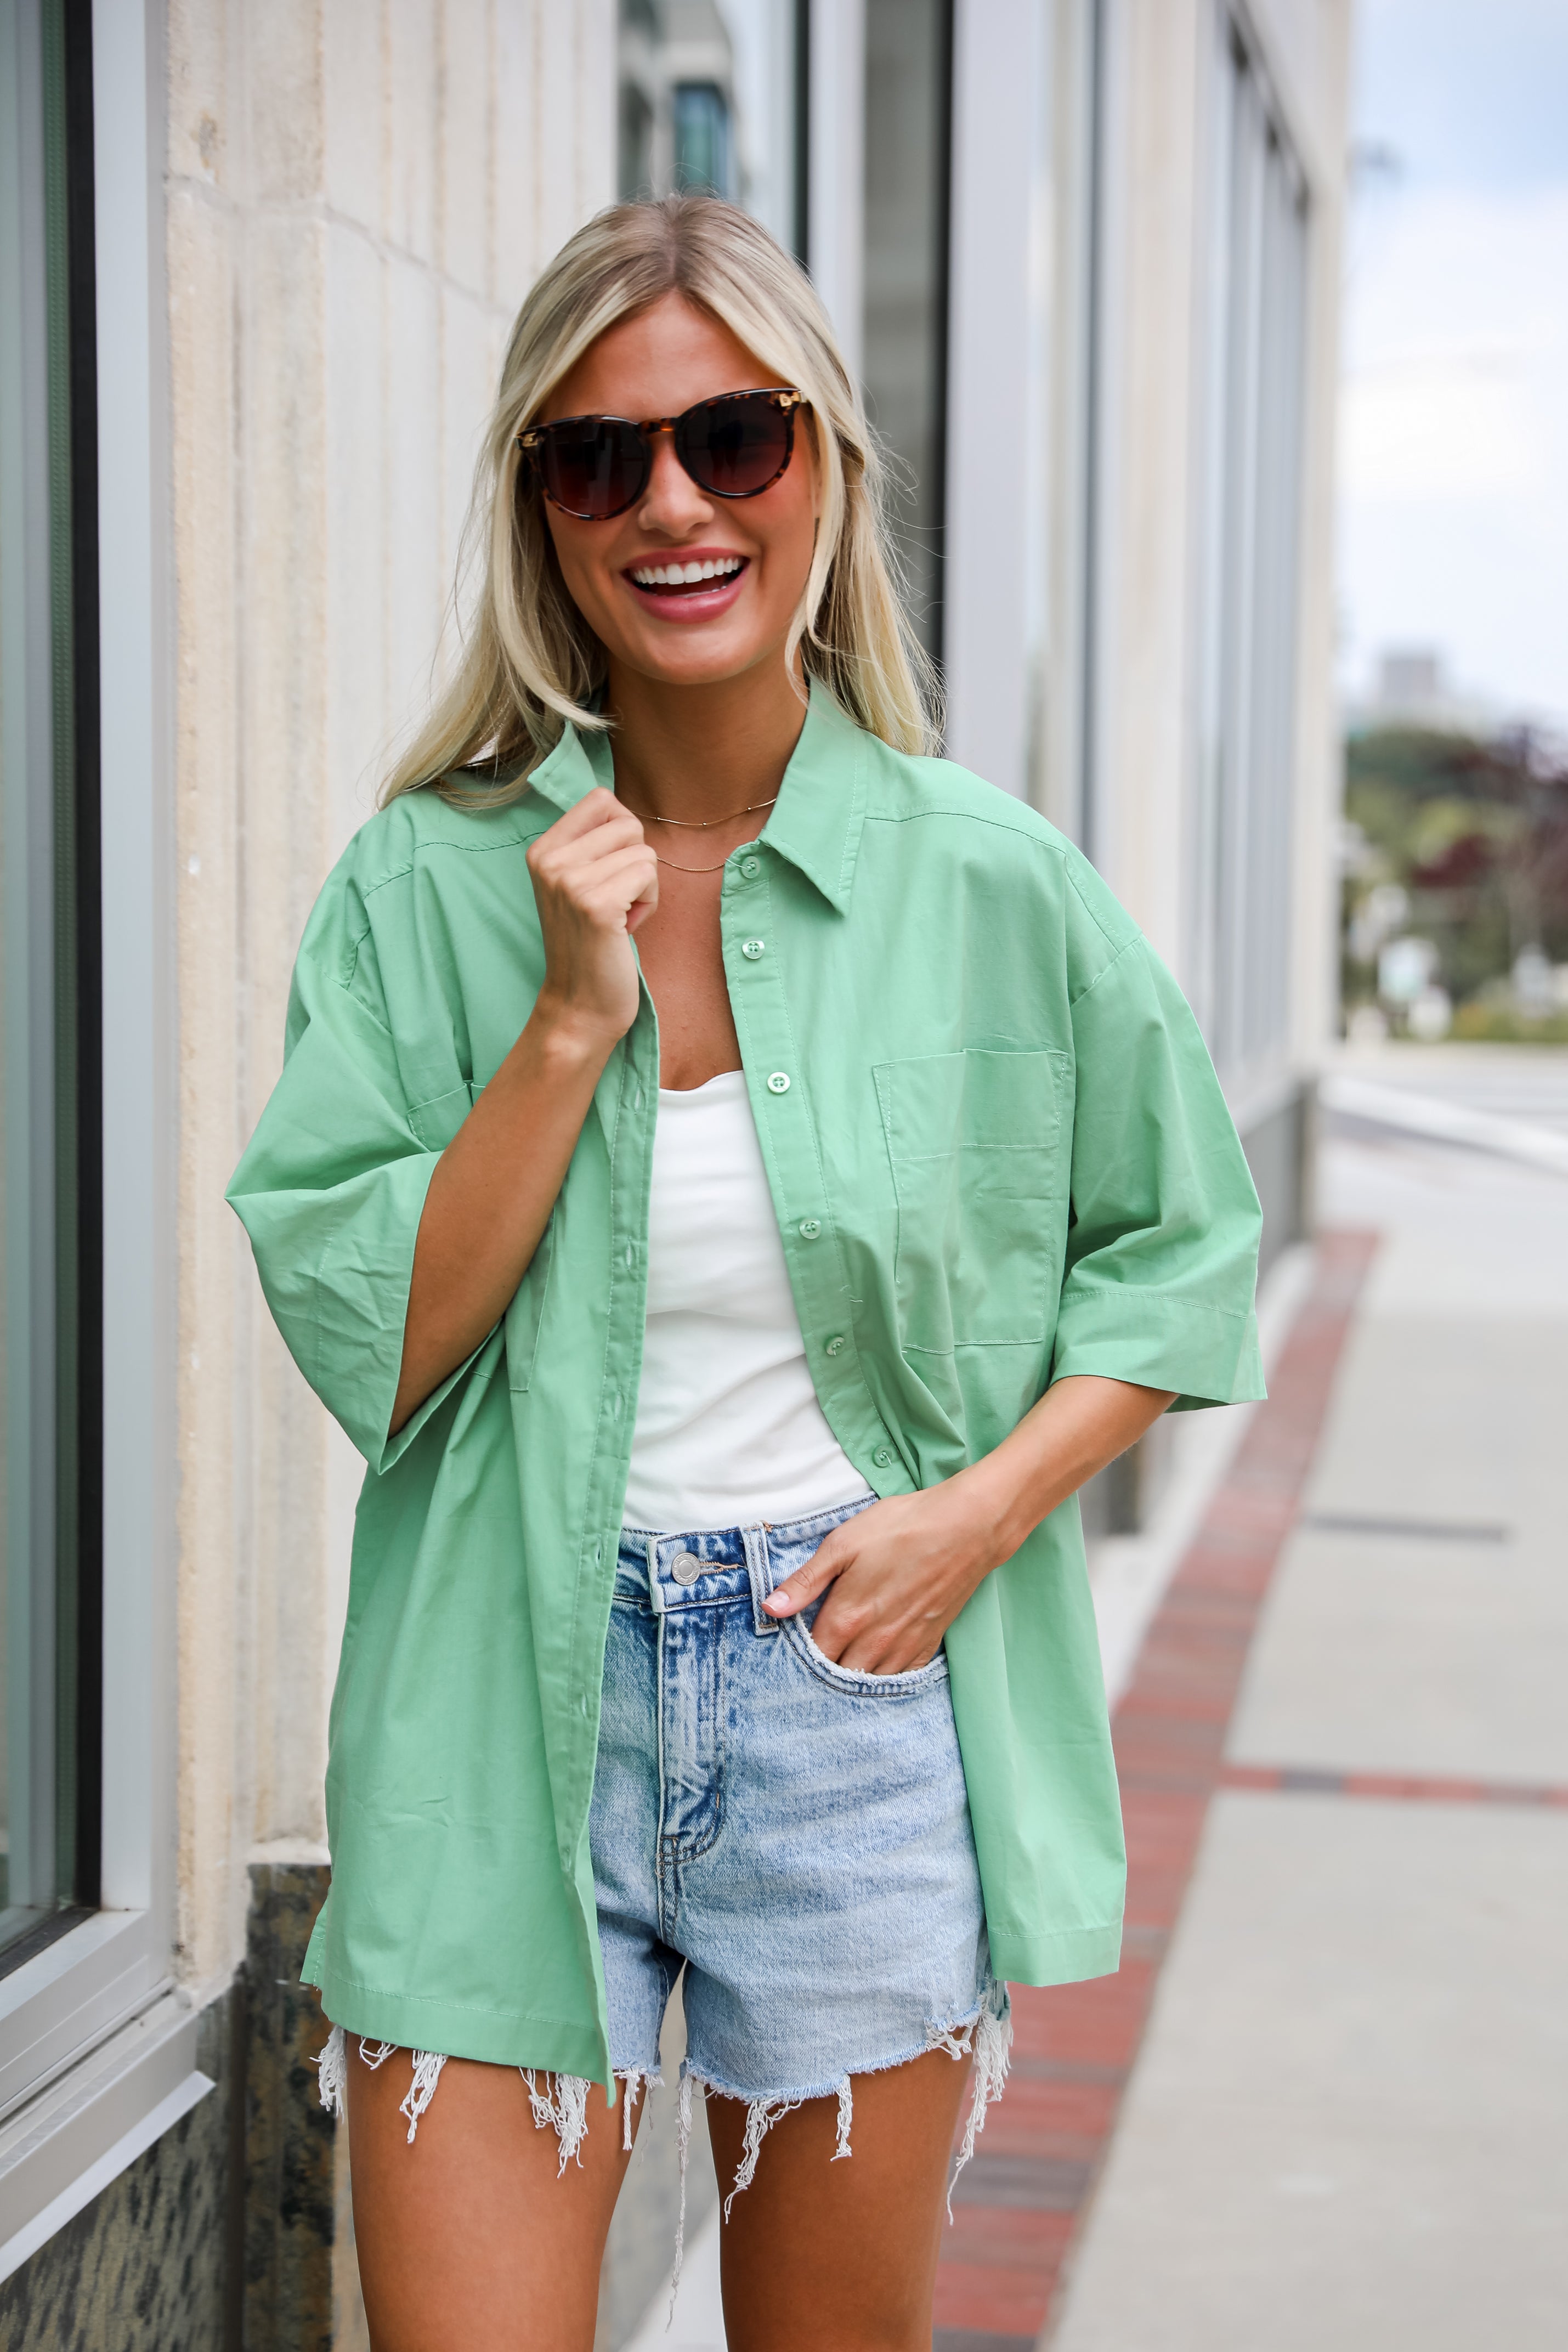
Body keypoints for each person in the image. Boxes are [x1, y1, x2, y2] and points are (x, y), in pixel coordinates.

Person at [229, 192, 1265, 2352]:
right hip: (499, 1707)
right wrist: (566, 1022)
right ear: (540, 510)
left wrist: (978, 1518)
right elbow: (379, 1351)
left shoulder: (993, 883)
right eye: (598, 457)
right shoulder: (425, 885)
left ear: (826, 471)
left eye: (732, 438)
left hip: (853, 1701)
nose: (672, 505)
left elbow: (1178, 1251)